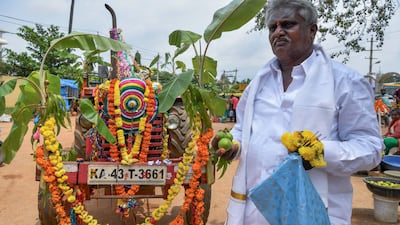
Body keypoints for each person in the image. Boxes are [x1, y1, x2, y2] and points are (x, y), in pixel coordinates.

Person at [212, 0, 383, 224]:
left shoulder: (345, 82)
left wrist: (321, 152)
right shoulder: (257, 84)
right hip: (253, 212)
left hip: (312, 212)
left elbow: (371, 149)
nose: (278, 32)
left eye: (288, 24)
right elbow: (243, 129)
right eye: (272, 27)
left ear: (312, 30)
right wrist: (233, 146)